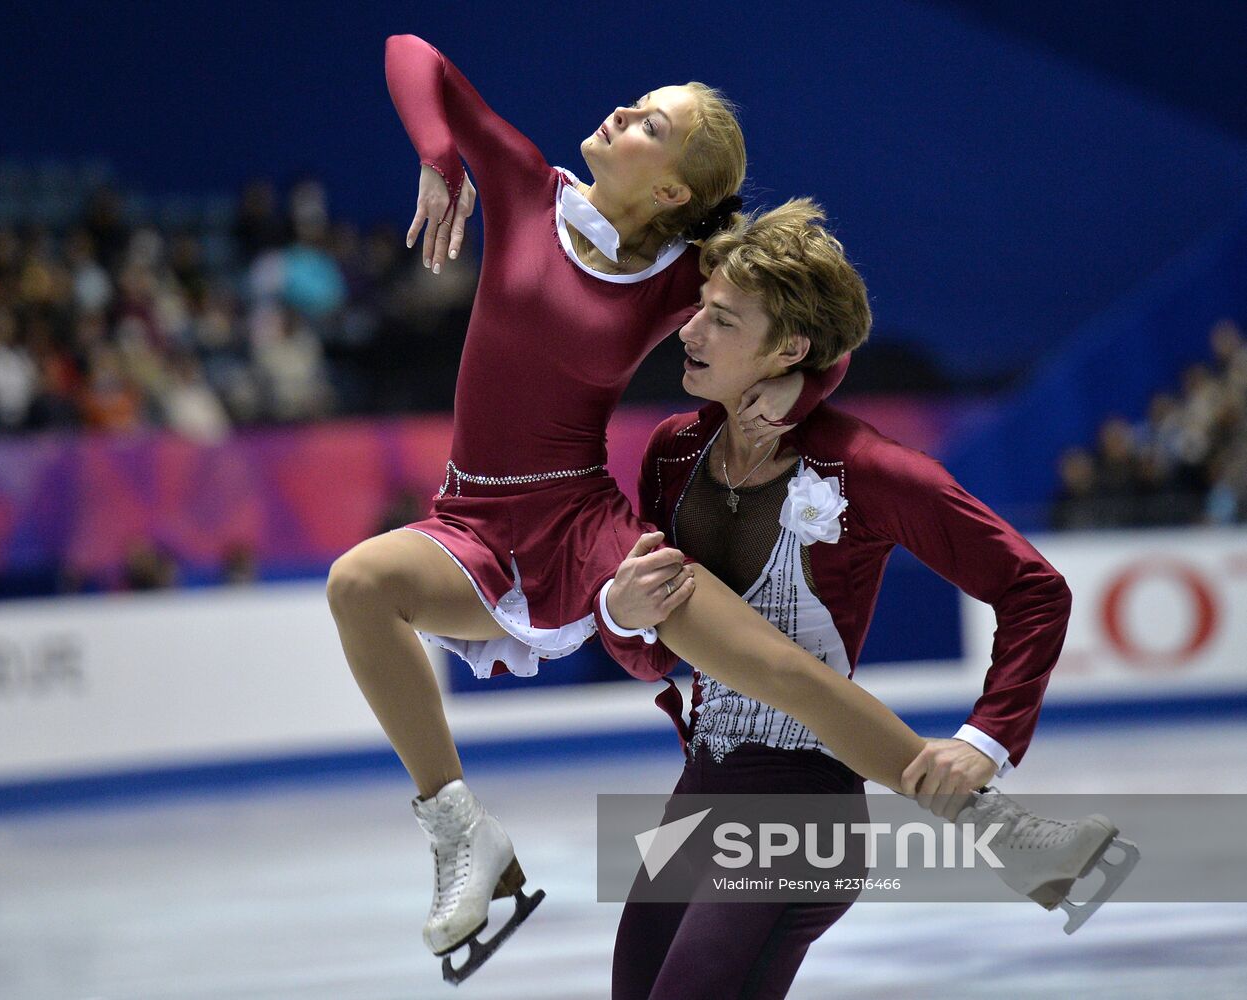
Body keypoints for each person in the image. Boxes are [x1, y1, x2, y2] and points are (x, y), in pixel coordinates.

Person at [328, 34, 1036, 981]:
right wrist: (435, 152)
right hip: (470, 520)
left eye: (648, 122)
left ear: (670, 191)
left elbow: (812, 327)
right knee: (360, 582)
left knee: (776, 672)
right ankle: (462, 834)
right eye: (636, 104)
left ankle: (981, 815)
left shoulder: (681, 275)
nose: (621, 113)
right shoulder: (523, 189)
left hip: (584, 527)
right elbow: (413, 54)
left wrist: (800, 395)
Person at [604, 200, 1138, 997]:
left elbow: (1033, 590)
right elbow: (650, 657)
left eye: (719, 319)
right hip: (701, 790)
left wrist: (984, 740)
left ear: (787, 349)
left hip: (802, 807)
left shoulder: (870, 470)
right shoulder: (672, 451)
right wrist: (621, 614)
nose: (688, 333)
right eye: (698, 311)